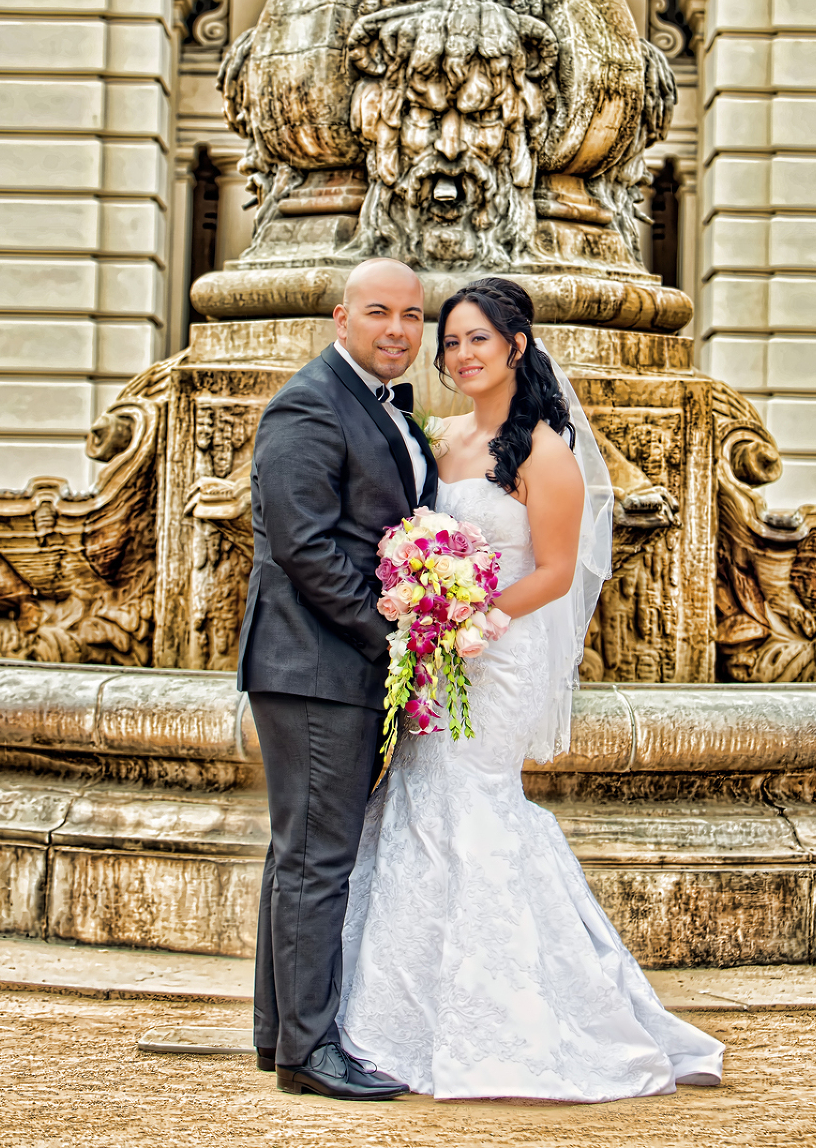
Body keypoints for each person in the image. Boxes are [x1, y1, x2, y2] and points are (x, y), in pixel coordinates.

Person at [337, 274, 725, 1102]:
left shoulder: (545, 451)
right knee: (418, 808)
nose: (461, 354)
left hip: (496, 658)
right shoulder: (439, 439)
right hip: (435, 656)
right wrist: (422, 608)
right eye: (451, 341)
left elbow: (554, 572)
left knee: (475, 808)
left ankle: (514, 1023)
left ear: (516, 345)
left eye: (477, 338)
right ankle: (400, 1020)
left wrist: (467, 616)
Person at [239, 257, 439, 1100]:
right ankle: (311, 1052)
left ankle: (280, 1034)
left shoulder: (381, 403)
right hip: (314, 660)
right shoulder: (310, 402)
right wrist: (390, 637)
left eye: (412, 315)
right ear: (341, 318)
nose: (397, 329)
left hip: (329, 659)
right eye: (379, 311)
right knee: (319, 860)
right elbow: (304, 546)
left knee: (303, 855)